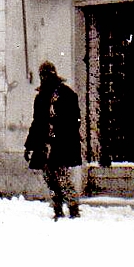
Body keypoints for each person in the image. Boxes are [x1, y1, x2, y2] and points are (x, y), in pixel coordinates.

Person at [25, 61, 82, 220]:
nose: (45, 78)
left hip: (62, 144)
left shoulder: (67, 94)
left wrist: (62, 131)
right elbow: (36, 123)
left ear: (53, 74)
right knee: (49, 178)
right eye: (43, 75)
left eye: (47, 74)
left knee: (63, 177)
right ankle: (57, 207)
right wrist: (29, 146)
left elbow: (75, 121)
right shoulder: (41, 97)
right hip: (44, 145)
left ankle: (73, 208)